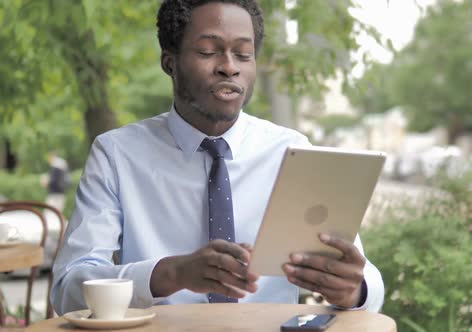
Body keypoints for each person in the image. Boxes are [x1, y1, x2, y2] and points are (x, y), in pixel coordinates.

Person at [51, 0, 384, 315]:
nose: (229, 67)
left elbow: (367, 282)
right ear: (170, 62)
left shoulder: (294, 153)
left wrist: (354, 290)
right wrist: (170, 273)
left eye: (243, 54)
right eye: (208, 52)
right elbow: (68, 289)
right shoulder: (116, 155)